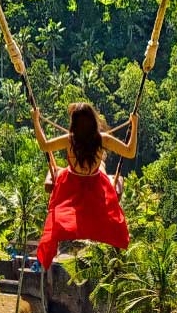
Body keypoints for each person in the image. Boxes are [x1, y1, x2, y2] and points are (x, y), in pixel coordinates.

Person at [31, 102, 138, 270]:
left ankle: (93, 164)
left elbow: (44, 145)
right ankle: (98, 162)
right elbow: (130, 152)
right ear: (94, 121)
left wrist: (36, 120)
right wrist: (134, 124)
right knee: (100, 165)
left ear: (74, 123)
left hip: (71, 184)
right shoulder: (103, 139)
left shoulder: (69, 140)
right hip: (95, 183)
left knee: (61, 179)